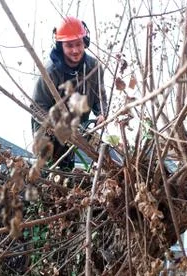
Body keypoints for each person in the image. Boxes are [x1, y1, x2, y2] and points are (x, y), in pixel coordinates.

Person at [31, 16, 107, 169]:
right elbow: (37, 107)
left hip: (77, 125)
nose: (75, 50)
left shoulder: (94, 68)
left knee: (67, 167)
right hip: (48, 128)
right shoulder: (50, 72)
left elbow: (101, 97)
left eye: (78, 44)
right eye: (69, 45)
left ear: (85, 42)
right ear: (60, 46)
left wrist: (102, 113)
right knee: (48, 167)